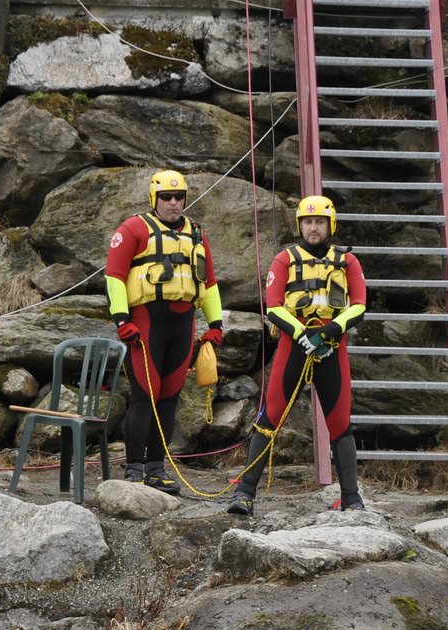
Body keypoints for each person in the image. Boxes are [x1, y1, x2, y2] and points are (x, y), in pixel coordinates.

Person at [226, 195, 367, 517]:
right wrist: (303, 335)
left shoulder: (347, 262)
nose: (313, 227)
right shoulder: (284, 260)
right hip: (294, 347)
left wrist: (330, 331)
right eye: (307, 221)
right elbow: (274, 307)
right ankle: (245, 493)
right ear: (299, 224)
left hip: (331, 348)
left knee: (340, 423)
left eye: (319, 222)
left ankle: (351, 497)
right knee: (270, 417)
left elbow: (359, 305)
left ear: (330, 225)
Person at [104, 169, 224, 494]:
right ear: (154, 199)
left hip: (183, 325)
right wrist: (121, 320)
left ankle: (157, 468)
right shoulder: (133, 229)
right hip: (146, 323)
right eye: (167, 198)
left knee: (169, 398)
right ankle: (133, 469)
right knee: (145, 397)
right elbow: (114, 276)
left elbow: (209, 283)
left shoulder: (197, 233)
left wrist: (215, 325)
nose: (173, 203)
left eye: (179, 197)